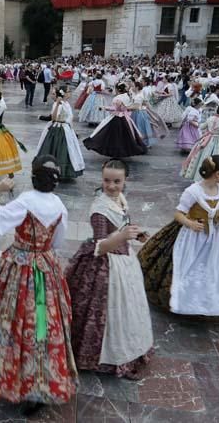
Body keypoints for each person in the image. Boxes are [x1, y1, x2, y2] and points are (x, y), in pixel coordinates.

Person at [0, 156, 77, 412]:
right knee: (43, 323)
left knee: (10, 317)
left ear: (32, 176)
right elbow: (58, 242)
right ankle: (40, 383)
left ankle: (8, 373)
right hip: (47, 268)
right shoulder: (60, 206)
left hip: (19, 267)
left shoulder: (24, 202)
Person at [138, 155, 219, 319]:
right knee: (186, 265)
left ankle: (209, 299)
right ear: (217, 174)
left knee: (217, 267)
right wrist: (190, 223)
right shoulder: (193, 191)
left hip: (216, 237)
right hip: (191, 236)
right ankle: (184, 298)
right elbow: (178, 214)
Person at [64, 160, 153, 379]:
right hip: (106, 265)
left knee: (127, 309)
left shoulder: (119, 199)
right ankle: (101, 356)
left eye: (117, 181)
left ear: (125, 181)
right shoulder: (99, 209)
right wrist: (123, 236)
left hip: (124, 260)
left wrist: (134, 232)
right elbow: (100, 246)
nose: (111, 186)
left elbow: (122, 224)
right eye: (106, 181)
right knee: (104, 310)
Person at [83, 83, 147, 158]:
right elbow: (127, 107)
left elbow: (115, 108)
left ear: (118, 89)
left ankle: (115, 152)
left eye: (115, 88)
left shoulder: (118, 98)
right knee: (125, 136)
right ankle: (124, 151)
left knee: (112, 136)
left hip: (117, 118)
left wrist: (104, 107)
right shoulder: (128, 96)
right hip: (125, 118)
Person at [33, 87, 84, 179]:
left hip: (66, 129)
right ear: (63, 94)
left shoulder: (66, 103)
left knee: (67, 149)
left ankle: (62, 170)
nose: (70, 93)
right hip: (58, 129)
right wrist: (57, 104)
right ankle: (53, 170)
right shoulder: (59, 104)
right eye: (68, 91)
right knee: (57, 148)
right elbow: (54, 118)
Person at [181, 104, 219, 186]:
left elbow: (201, 127)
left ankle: (200, 176)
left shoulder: (210, 118)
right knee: (218, 161)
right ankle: (215, 178)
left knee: (202, 158)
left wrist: (208, 131)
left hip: (207, 141)